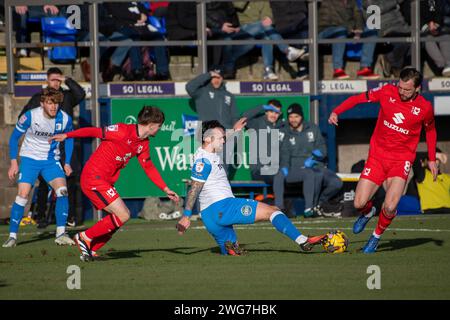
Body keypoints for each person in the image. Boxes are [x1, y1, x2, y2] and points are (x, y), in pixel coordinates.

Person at [175, 120, 327, 255]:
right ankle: (303, 240)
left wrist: (234, 131)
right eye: (220, 138)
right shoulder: (204, 161)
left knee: (233, 251)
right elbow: (194, 188)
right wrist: (186, 215)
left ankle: (230, 251)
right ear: (208, 138)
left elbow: (219, 139)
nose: (223, 141)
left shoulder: (209, 152)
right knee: (273, 211)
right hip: (222, 207)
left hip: (211, 217)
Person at [328, 67, 438, 253]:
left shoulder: (424, 108)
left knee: (390, 205)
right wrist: (336, 111)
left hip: (401, 160)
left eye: (407, 90)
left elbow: (430, 131)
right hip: (377, 157)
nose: (402, 92)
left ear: (417, 89)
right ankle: (369, 212)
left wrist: (432, 159)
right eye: (400, 87)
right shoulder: (388, 91)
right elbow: (357, 99)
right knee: (358, 203)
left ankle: (375, 237)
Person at [49, 106, 179, 261]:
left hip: (105, 181)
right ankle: (84, 237)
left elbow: (148, 167)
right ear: (151, 125)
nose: (159, 129)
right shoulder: (122, 130)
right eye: (159, 126)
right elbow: (94, 131)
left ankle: (91, 248)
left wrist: (165, 188)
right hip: (93, 177)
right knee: (123, 214)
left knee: (120, 217)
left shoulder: (143, 143)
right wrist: (67, 135)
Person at [3, 88, 75, 248]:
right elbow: (14, 138)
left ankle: (61, 234)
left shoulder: (65, 119)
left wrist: (67, 162)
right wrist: (14, 162)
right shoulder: (30, 116)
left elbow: (69, 139)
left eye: (56, 103)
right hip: (30, 159)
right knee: (22, 195)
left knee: (62, 191)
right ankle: (12, 236)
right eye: (50, 103)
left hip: (51, 160)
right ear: (43, 103)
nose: (53, 107)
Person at [19, 67, 86, 228]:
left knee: (69, 180)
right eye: (53, 79)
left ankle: (69, 217)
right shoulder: (38, 98)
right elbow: (23, 117)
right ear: (47, 81)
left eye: (58, 79)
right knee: (43, 183)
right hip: (45, 147)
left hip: (64, 145)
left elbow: (81, 94)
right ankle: (40, 217)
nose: (56, 82)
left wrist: (68, 80)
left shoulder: (67, 97)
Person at [186, 67, 247, 176]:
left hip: (225, 137)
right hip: (207, 135)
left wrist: (234, 134)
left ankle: (221, 192)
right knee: (204, 168)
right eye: (214, 77)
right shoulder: (201, 92)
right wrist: (208, 74)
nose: (216, 80)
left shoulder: (229, 96)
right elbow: (189, 87)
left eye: (219, 77)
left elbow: (234, 116)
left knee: (222, 170)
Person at [224, 1, 306, 80]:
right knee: (264, 27)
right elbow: (238, 5)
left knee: (267, 36)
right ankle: (287, 51)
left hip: (259, 31)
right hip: (241, 29)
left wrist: (268, 18)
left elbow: (267, 15)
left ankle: (268, 71)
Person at [273, 103, 325, 217]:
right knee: (279, 175)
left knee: (315, 175)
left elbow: (323, 150)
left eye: (296, 116)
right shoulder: (285, 131)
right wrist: (284, 167)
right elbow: (284, 152)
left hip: (312, 167)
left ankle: (309, 208)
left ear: (301, 117)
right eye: (291, 117)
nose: (293, 120)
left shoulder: (312, 128)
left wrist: (314, 157)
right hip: (293, 170)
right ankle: (278, 210)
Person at [318, 0, 380, 80]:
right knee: (340, 32)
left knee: (371, 31)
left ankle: (364, 68)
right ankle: (337, 69)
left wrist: (358, 29)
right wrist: (351, 29)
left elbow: (358, 14)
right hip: (324, 29)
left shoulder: (351, 1)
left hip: (346, 28)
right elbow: (337, 20)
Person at [242, 99, 285, 184]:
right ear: (266, 111)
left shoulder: (282, 127)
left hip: (277, 169)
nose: (274, 115)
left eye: (276, 113)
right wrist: (261, 107)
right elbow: (243, 118)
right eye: (271, 111)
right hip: (259, 169)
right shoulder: (258, 123)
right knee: (279, 177)